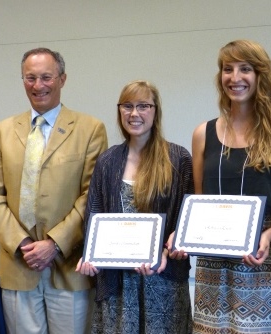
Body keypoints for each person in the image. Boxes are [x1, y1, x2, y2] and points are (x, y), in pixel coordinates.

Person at [189, 40, 271, 333]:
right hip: (214, 268)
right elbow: (199, 203)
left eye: (245, 69)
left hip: (268, 260)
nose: (235, 78)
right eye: (227, 69)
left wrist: (269, 234)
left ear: (260, 75)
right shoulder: (202, 134)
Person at [0, 47, 108, 333]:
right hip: (18, 265)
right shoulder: (1, 131)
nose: (38, 86)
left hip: (69, 267)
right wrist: (23, 245)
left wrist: (54, 244)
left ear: (62, 79)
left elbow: (92, 196)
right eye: (30, 78)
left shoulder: (90, 129)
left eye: (46, 77)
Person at [76, 80, 194, 333]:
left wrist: (166, 252)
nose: (134, 113)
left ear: (155, 110)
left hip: (163, 278)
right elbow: (93, 211)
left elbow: (188, 216)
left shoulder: (178, 158)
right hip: (118, 282)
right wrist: (91, 253)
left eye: (143, 106)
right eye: (127, 106)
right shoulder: (107, 160)